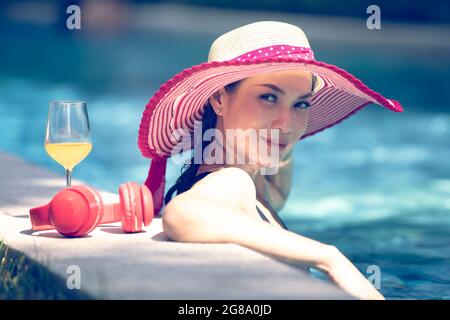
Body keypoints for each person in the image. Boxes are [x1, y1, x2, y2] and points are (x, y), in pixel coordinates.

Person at [138, 21, 403, 300]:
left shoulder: (257, 189)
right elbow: (183, 214)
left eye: (301, 104)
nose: (287, 122)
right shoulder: (231, 181)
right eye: (268, 97)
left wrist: (275, 134)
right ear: (219, 98)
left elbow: (278, 175)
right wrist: (329, 257)